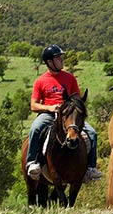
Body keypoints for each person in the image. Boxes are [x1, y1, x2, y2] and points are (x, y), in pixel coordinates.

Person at [26, 44, 103, 182]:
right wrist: (50, 108)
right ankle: (32, 162)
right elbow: (33, 105)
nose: (62, 60)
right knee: (35, 128)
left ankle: (91, 168)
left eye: (61, 57)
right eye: (58, 58)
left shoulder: (70, 78)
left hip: (68, 115)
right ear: (49, 62)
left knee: (92, 133)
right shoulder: (40, 81)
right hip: (49, 113)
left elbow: (77, 99)